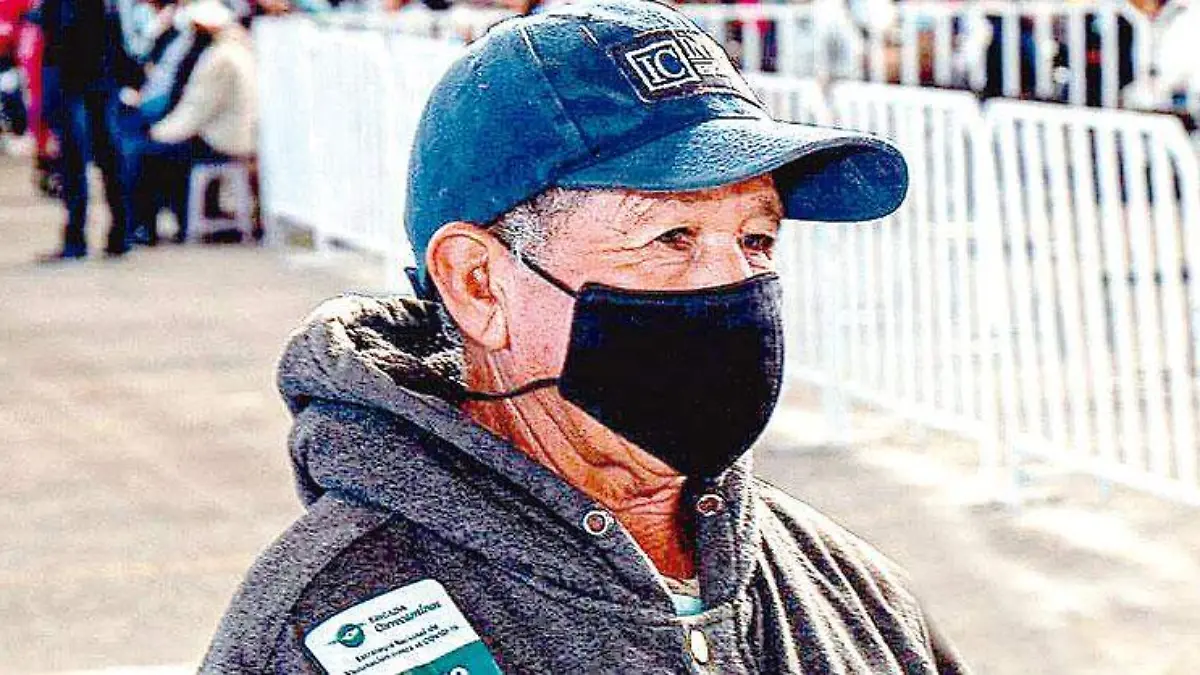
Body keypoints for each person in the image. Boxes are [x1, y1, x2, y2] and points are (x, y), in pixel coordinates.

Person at [202, 2, 970, 673]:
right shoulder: (321, 629)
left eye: (758, 239)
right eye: (672, 237)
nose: (733, 284)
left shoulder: (846, 588)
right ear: (479, 284)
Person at [119, 0, 255, 244]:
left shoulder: (220, 59)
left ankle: (142, 226)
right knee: (147, 148)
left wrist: (159, 133)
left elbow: (196, 111)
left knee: (143, 153)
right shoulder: (231, 50)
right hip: (223, 133)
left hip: (221, 139)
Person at [38, 0, 137, 260]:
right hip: (100, 73)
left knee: (76, 159)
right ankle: (119, 232)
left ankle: (78, 238)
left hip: (74, 76)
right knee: (108, 155)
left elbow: (57, 28)